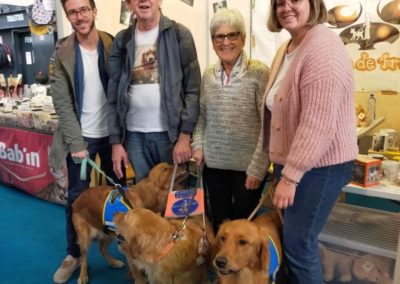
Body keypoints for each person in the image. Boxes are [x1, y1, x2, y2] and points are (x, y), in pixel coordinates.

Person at [261, 0, 358, 283]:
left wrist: (289, 178)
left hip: (320, 166)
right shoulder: (287, 49)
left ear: (313, 4)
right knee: (291, 241)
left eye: (295, 0)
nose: (286, 7)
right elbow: (272, 114)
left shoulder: (323, 48)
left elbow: (317, 124)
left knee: (299, 244)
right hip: (294, 163)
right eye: (280, 2)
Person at [49, 0, 122, 283]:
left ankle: (121, 245)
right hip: (80, 139)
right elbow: (63, 105)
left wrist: (120, 137)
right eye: (73, 12)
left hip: (113, 135)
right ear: (68, 16)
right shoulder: (61, 53)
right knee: (76, 199)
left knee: (118, 193)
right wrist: (77, 142)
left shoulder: (112, 44)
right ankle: (73, 255)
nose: (79, 16)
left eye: (84, 10)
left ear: (94, 11)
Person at [192, 8, 270, 232]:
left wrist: (258, 168)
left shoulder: (259, 73)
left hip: (247, 170)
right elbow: (202, 117)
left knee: (244, 228)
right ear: (213, 40)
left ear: (243, 39)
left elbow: (268, 127)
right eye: (219, 36)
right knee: (220, 224)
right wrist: (198, 146)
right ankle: (220, 267)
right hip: (213, 166)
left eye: (232, 35)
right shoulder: (208, 75)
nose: (225, 42)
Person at [108, 0, 201, 182]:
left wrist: (185, 135)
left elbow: (193, 90)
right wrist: (116, 142)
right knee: (145, 202)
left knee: (175, 200)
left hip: (170, 136)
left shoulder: (180, 35)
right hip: (134, 136)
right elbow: (113, 95)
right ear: (128, 3)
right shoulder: (122, 40)